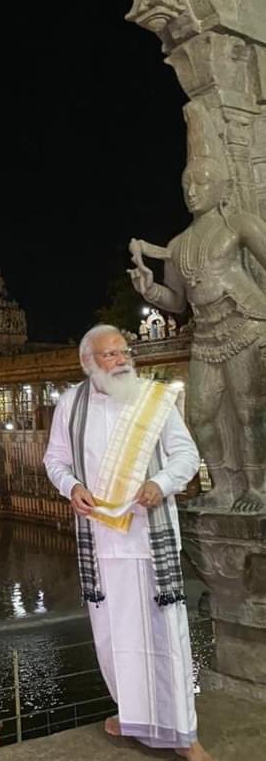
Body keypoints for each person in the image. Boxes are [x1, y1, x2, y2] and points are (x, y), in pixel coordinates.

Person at [43, 324, 218, 761]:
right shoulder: (70, 404)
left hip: (149, 536)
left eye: (124, 351)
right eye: (110, 354)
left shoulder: (154, 400)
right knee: (113, 638)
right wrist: (72, 486)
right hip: (102, 543)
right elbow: (54, 459)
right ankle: (134, 717)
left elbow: (185, 454)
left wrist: (161, 484)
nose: (121, 359)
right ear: (88, 363)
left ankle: (185, 736)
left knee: (168, 638)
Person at [129, 142, 266, 512]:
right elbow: (177, 302)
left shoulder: (238, 224)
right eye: (187, 185)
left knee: (248, 410)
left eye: (202, 183)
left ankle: (258, 487)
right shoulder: (178, 244)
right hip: (205, 334)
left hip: (245, 323)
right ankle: (224, 484)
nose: (192, 191)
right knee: (200, 415)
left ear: (223, 188)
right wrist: (149, 288)